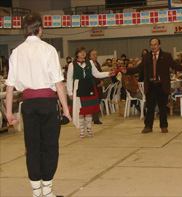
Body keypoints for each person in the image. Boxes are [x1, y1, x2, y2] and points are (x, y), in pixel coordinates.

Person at [5, 12, 71, 197]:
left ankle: (36, 193)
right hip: (48, 103)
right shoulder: (48, 50)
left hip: (29, 105)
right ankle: (48, 192)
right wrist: (66, 110)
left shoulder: (16, 52)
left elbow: (10, 86)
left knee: (32, 146)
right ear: (40, 29)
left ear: (24, 30)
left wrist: (9, 113)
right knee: (50, 146)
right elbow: (59, 84)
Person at [127, 38, 182, 134]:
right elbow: (139, 69)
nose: (153, 46)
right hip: (150, 85)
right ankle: (148, 126)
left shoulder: (167, 56)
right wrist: (127, 70)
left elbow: (175, 66)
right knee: (150, 107)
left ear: (159, 45)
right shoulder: (146, 57)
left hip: (162, 85)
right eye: (151, 45)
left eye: (155, 44)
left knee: (163, 107)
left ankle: (164, 126)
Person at [67, 46, 116, 138]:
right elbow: (69, 79)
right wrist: (70, 92)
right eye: (81, 52)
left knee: (89, 110)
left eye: (84, 52)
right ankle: (82, 130)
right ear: (77, 54)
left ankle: (89, 129)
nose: (83, 54)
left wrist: (108, 73)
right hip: (78, 88)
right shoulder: (71, 65)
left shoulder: (90, 63)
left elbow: (97, 74)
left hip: (89, 87)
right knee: (81, 110)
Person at [88, 49, 104, 125]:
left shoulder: (97, 64)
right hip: (92, 85)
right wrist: (97, 82)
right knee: (92, 102)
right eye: (93, 55)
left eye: (96, 54)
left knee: (98, 101)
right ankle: (93, 118)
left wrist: (101, 81)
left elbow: (99, 73)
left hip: (98, 85)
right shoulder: (88, 64)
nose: (95, 56)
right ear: (89, 56)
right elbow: (91, 75)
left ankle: (96, 118)